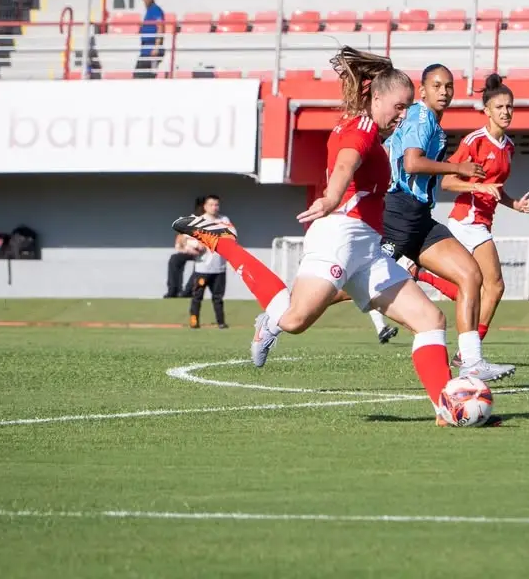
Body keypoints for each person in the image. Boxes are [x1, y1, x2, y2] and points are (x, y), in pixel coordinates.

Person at [172, 47, 476, 427]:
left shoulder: (373, 131)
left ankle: (445, 409)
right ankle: (224, 244)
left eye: (408, 108)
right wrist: (332, 196)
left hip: (367, 247)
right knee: (295, 320)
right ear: (377, 97)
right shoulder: (361, 131)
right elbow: (347, 161)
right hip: (339, 235)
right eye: (399, 107)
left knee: (430, 319)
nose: (403, 115)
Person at [381, 63, 515, 382]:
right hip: (398, 213)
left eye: (449, 87)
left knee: (470, 274)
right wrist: (460, 170)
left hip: (419, 216)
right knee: (358, 282)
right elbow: (412, 164)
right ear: (423, 90)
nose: (444, 92)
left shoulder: (434, 124)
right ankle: (284, 312)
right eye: (437, 86)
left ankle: (471, 361)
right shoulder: (421, 116)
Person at [435, 74, 529, 365]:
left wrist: (515, 203)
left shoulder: (508, 147)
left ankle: (421, 274)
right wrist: (478, 187)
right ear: (487, 110)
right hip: (467, 220)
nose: (506, 112)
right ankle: (469, 353)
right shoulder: (474, 141)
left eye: (510, 107)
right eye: (500, 107)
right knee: (495, 285)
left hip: (481, 221)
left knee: (474, 287)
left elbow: (496, 188)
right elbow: (448, 182)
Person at [187, 194, 234, 329]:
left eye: (216, 205)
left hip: (219, 267)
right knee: (197, 296)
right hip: (202, 268)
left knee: (218, 297)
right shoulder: (199, 221)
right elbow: (189, 240)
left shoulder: (224, 220)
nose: (214, 207)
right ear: (205, 206)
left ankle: (221, 323)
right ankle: (194, 322)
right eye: (211, 205)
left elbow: (231, 236)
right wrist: (196, 246)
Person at [135, 0, 165, 79]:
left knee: (143, 76)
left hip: (151, 50)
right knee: (139, 76)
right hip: (145, 49)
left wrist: (156, 47)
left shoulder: (156, 9)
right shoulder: (148, 11)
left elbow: (160, 27)